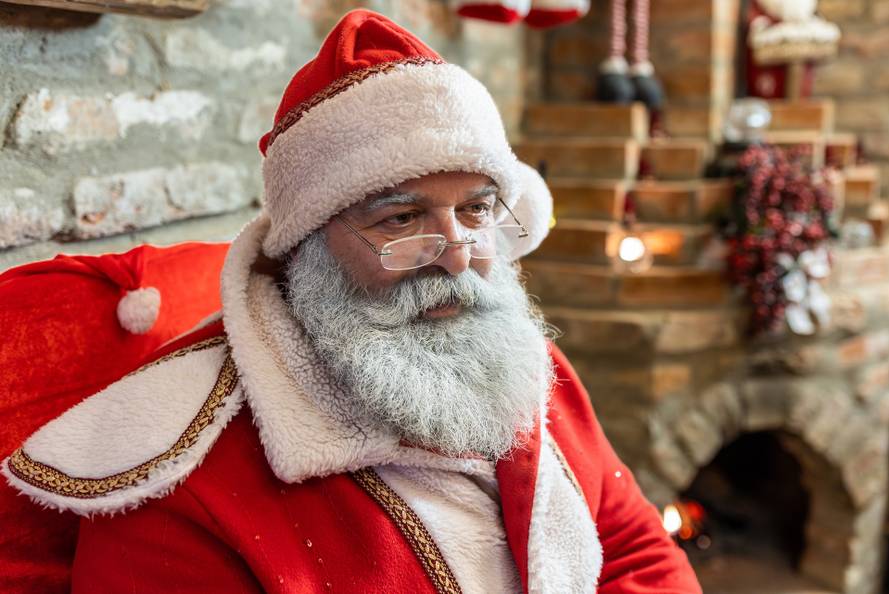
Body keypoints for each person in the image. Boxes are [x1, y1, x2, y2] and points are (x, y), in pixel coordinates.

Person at [2, 9, 701, 593]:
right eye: (401, 219)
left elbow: (634, 547)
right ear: (305, 244)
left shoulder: (514, 358)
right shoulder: (176, 484)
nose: (458, 256)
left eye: (477, 209)